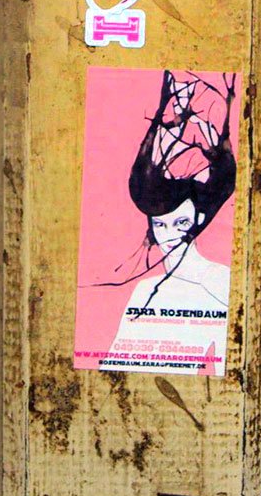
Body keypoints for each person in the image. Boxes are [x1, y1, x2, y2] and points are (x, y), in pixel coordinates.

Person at [99, 71, 236, 375]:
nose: (168, 235)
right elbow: (113, 364)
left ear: (199, 219)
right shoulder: (144, 289)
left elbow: (226, 370)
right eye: (160, 225)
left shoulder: (220, 281)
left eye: (181, 222)